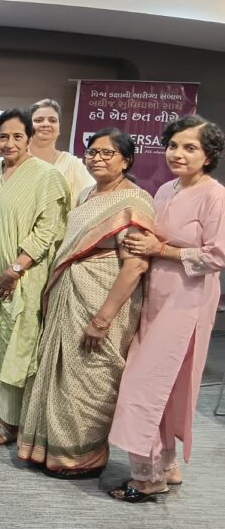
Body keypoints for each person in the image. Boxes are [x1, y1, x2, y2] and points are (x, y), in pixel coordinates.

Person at [16, 128, 154, 478]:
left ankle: (84, 458)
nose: (97, 159)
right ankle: (50, 449)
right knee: (60, 373)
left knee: (90, 375)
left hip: (103, 301)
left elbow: (136, 266)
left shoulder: (134, 202)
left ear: (126, 160)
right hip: (71, 296)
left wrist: (102, 319)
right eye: (92, 152)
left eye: (108, 153)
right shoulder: (86, 195)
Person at [107, 116, 225, 503]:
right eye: (173, 145)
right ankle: (166, 465)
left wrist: (162, 250)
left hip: (187, 301)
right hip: (157, 296)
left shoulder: (215, 195)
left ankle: (146, 478)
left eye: (190, 147)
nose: (178, 153)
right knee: (163, 386)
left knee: (142, 385)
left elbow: (218, 255)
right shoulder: (164, 189)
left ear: (209, 155)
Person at [0, 109, 69, 447]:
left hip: (22, 277)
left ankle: (13, 422)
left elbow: (49, 228)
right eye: (3, 136)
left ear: (29, 138)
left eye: (17, 136)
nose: (9, 143)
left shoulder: (47, 176)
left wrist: (17, 267)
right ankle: (0, 412)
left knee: (14, 346)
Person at [29, 99, 94, 206]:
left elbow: (91, 202)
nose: (46, 124)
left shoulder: (73, 166)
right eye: (38, 120)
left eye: (52, 120)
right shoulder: (14, 162)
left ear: (59, 128)